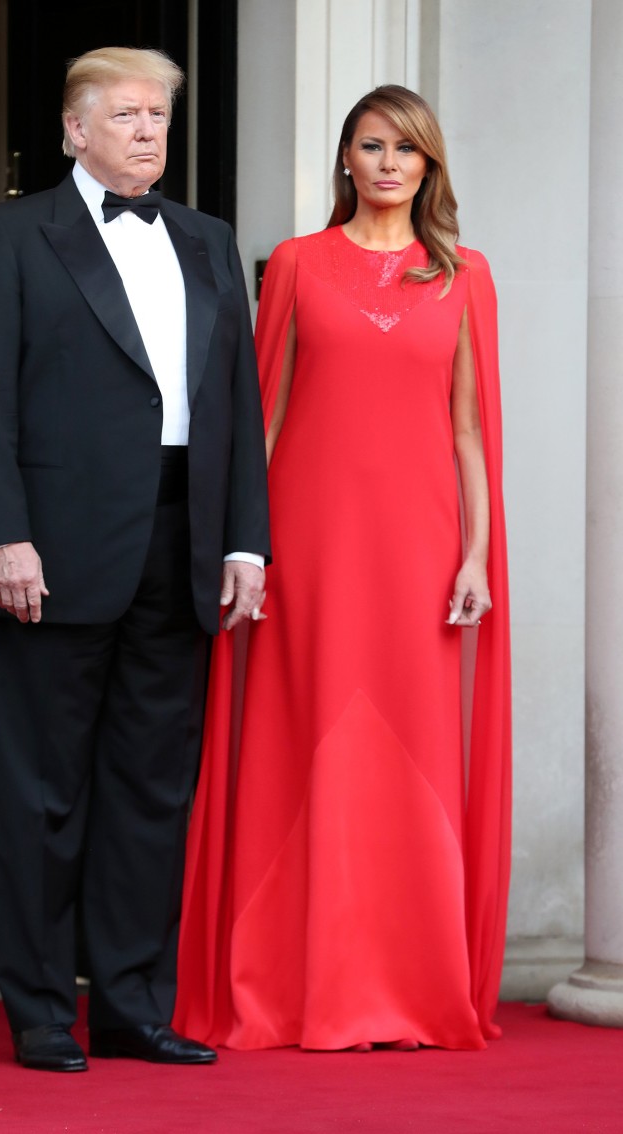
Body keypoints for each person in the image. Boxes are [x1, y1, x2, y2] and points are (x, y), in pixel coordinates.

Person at [0, 46, 269, 1072]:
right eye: (125, 115)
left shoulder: (208, 240)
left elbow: (237, 407)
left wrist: (246, 539)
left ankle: (131, 1006)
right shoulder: (9, 236)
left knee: (150, 791)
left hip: (184, 545)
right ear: (75, 130)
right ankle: (40, 1011)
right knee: (43, 792)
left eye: (159, 117)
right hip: (53, 547)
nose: (147, 132)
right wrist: (1, 532)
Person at [173, 84, 511, 1052]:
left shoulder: (463, 275)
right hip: (307, 546)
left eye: (407, 149)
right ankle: (288, 980)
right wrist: (248, 547)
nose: (389, 164)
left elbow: (467, 435)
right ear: (346, 161)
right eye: (371, 145)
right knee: (300, 738)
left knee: (410, 756)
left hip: (418, 549)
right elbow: (260, 419)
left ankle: (406, 986)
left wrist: (477, 558)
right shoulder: (294, 265)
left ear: (429, 166)